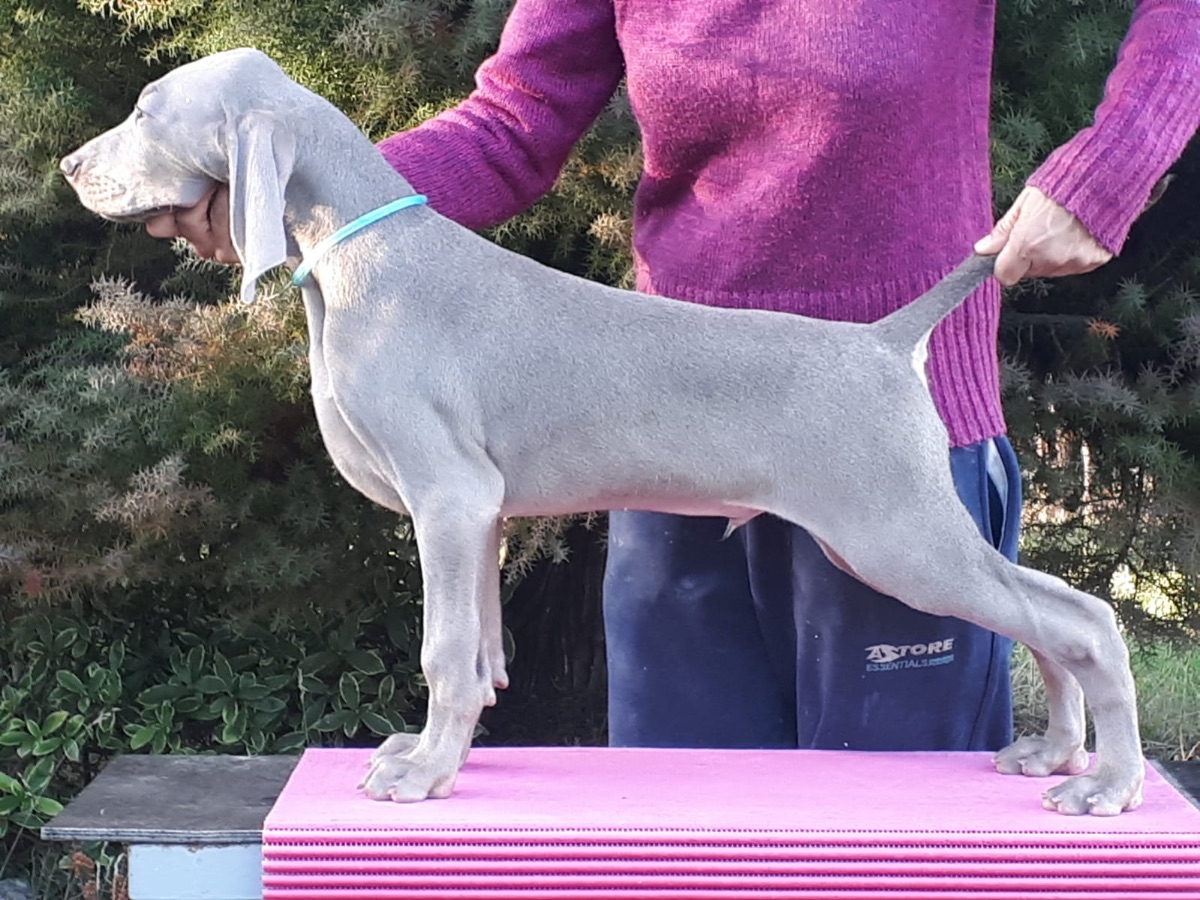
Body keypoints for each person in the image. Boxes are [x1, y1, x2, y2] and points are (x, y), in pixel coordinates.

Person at [148, 2, 1200, 752]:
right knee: (682, 843)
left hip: (875, 403)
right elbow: (513, 122)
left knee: (894, 851)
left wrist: (1113, 162)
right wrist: (313, 202)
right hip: (662, 425)